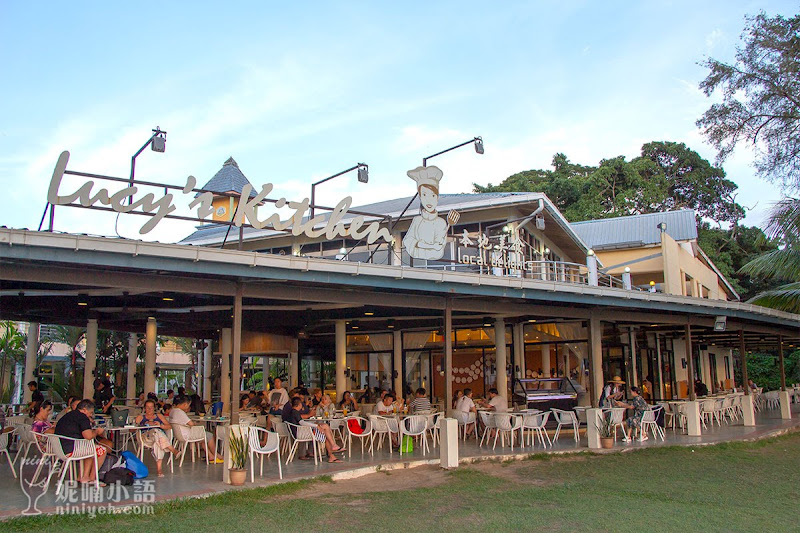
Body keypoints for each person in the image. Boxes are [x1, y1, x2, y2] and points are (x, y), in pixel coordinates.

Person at [402, 166, 458, 260]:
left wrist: (420, 245)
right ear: (420, 197)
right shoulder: (417, 220)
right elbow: (408, 240)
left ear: (437, 198)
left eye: (432, 195)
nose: (428, 200)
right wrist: (431, 246)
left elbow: (439, 248)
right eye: (424, 195)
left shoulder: (441, 223)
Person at [54, 399, 108, 485]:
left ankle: (83, 476)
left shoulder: (67, 416)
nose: (91, 415)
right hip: (72, 450)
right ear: (84, 410)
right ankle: (91, 478)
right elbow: (88, 436)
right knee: (102, 450)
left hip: (60, 450)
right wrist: (97, 432)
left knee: (89, 447)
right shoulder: (83, 417)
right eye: (90, 413)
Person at [284, 397, 344, 463]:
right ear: (299, 404)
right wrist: (316, 426)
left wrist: (316, 425)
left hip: (299, 432)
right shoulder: (295, 412)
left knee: (326, 430)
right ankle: (333, 449)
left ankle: (332, 451)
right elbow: (302, 422)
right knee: (326, 431)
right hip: (301, 433)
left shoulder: (292, 412)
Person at [169, 395, 224, 463]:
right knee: (209, 435)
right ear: (185, 404)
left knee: (204, 436)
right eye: (188, 405)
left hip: (179, 435)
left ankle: (210, 456)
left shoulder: (173, 411)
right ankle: (217, 455)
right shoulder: (180, 412)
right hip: (187, 434)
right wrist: (194, 424)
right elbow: (191, 424)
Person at [135, 399, 179, 477]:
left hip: (158, 439)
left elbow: (169, 426)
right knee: (156, 431)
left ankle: (159, 470)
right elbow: (131, 429)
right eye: (147, 407)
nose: (149, 409)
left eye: (151, 407)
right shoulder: (141, 417)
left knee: (158, 442)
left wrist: (161, 425)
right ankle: (172, 449)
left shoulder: (159, 416)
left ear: (154, 408)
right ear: (144, 408)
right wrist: (140, 423)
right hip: (146, 438)